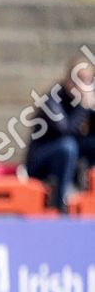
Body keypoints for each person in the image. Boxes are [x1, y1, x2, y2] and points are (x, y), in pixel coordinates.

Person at [25, 54, 95, 212]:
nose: (85, 86)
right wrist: (83, 106)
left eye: (89, 81)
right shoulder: (52, 100)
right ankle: (60, 205)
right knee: (67, 146)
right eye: (80, 80)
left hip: (73, 160)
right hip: (41, 163)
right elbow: (65, 131)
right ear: (70, 81)